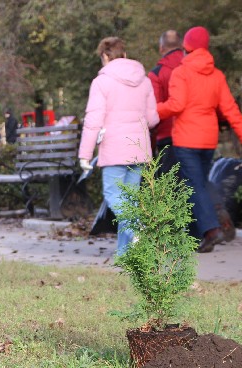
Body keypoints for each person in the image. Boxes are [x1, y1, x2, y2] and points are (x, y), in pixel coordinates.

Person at [156, 27, 242, 253]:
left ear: (187, 46)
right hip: (208, 139)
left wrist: (153, 110)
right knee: (200, 181)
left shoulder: (181, 73)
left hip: (186, 139)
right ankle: (212, 220)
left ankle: (211, 230)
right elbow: (229, 108)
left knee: (193, 185)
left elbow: (176, 105)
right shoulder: (216, 75)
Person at [78, 37, 159, 256]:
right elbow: (153, 118)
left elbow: (93, 120)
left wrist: (84, 155)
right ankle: (126, 254)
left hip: (114, 148)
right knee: (129, 198)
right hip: (138, 149)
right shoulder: (144, 80)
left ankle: (136, 227)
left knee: (114, 194)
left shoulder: (102, 82)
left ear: (105, 56)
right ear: (124, 54)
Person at [148, 30, 183, 178]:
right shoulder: (193, 69)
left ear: (161, 48)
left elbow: (153, 112)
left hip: (168, 138)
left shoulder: (157, 73)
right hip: (195, 138)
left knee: (171, 190)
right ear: (181, 45)